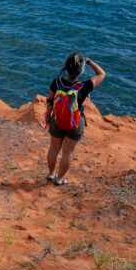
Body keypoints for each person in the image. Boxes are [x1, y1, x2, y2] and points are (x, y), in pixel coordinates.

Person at [44, 52, 106, 186]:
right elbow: (101, 74)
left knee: (53, 148)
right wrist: (89, 61)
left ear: (66, 67)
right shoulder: (85, 86)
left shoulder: (56, 82)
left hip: (57, 120)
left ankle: (51, 175)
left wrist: (48, 116)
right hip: (75, 123)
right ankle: (59, 180)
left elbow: (50, 101)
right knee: (68, 152)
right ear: (81, 70)